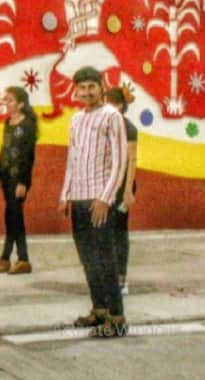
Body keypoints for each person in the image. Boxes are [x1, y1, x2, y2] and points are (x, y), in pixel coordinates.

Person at [58, 66, 128, 337]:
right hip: (78, 198)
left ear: (101, 87)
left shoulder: (112, 116)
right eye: (82, 88)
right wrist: (65, 194)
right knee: (88, 259)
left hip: (100, 200)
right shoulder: (76, 119)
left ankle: (117, 318)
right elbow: (72, 159)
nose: (86, 92)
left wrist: (105, 198)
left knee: (105, 259)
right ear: (76, 91)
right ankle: (99, 310)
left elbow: (120, 161)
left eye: (91, 87)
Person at [0, 86, 38, 275]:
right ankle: (19, 259)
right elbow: (4, 149)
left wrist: (23, 182)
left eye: (10, 100)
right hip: (7, 176)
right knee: (13, 216)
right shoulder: (8, 122)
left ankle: (10, 258)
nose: (6, 103)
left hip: (19, 178)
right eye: (6, 99)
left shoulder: (28, 124)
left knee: (13, 215)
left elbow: (28, 155)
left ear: (20, 104)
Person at [105, 86, 138, 296]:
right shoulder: (102, 125)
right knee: (102, 232)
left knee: (119, 232)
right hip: (103, 186)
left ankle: (121, 279)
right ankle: (105, 277)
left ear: (119, 106)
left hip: (122, 187)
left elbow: (132, 160)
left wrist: (127, 191)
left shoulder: (129, 128)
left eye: (109, 103)